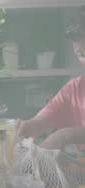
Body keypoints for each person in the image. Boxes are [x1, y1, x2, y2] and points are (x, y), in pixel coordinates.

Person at [17, 19, 85, 150]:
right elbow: (42, 121)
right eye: (81, 55)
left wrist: (67, 135)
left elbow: (65, 136)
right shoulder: (75, 88)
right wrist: (29, 126)